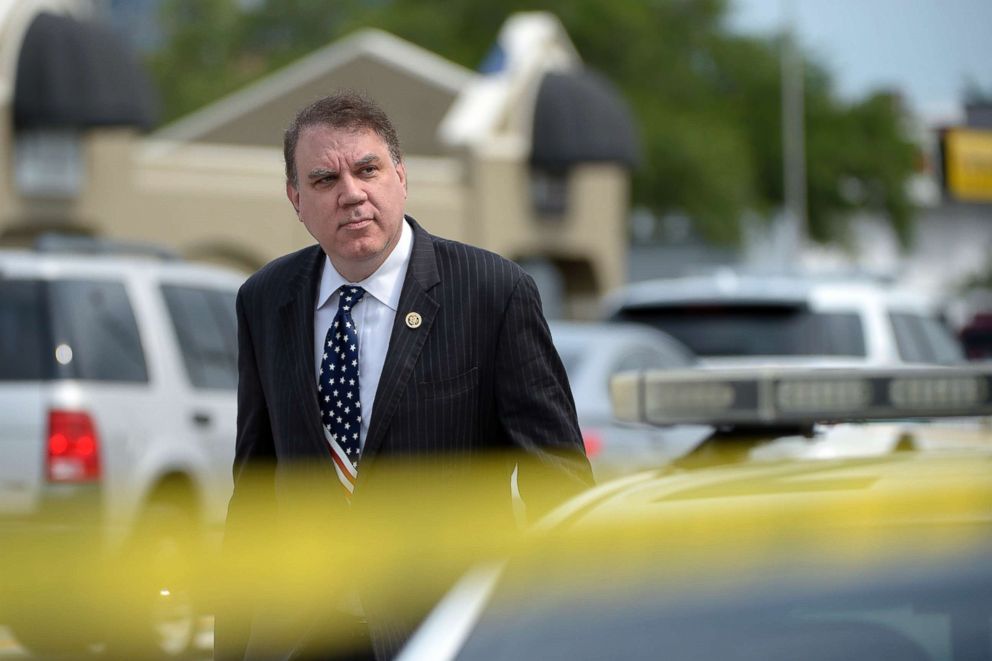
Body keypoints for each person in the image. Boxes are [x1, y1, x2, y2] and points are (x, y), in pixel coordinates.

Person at [217, 90, 594, 660]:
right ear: (296, 199)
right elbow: (255, 492)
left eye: (367, 169)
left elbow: (556, 486)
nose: (352, 194)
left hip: (442, 632)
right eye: (324, 180)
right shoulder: (265, 300)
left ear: (400, 174)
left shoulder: (492, 293)